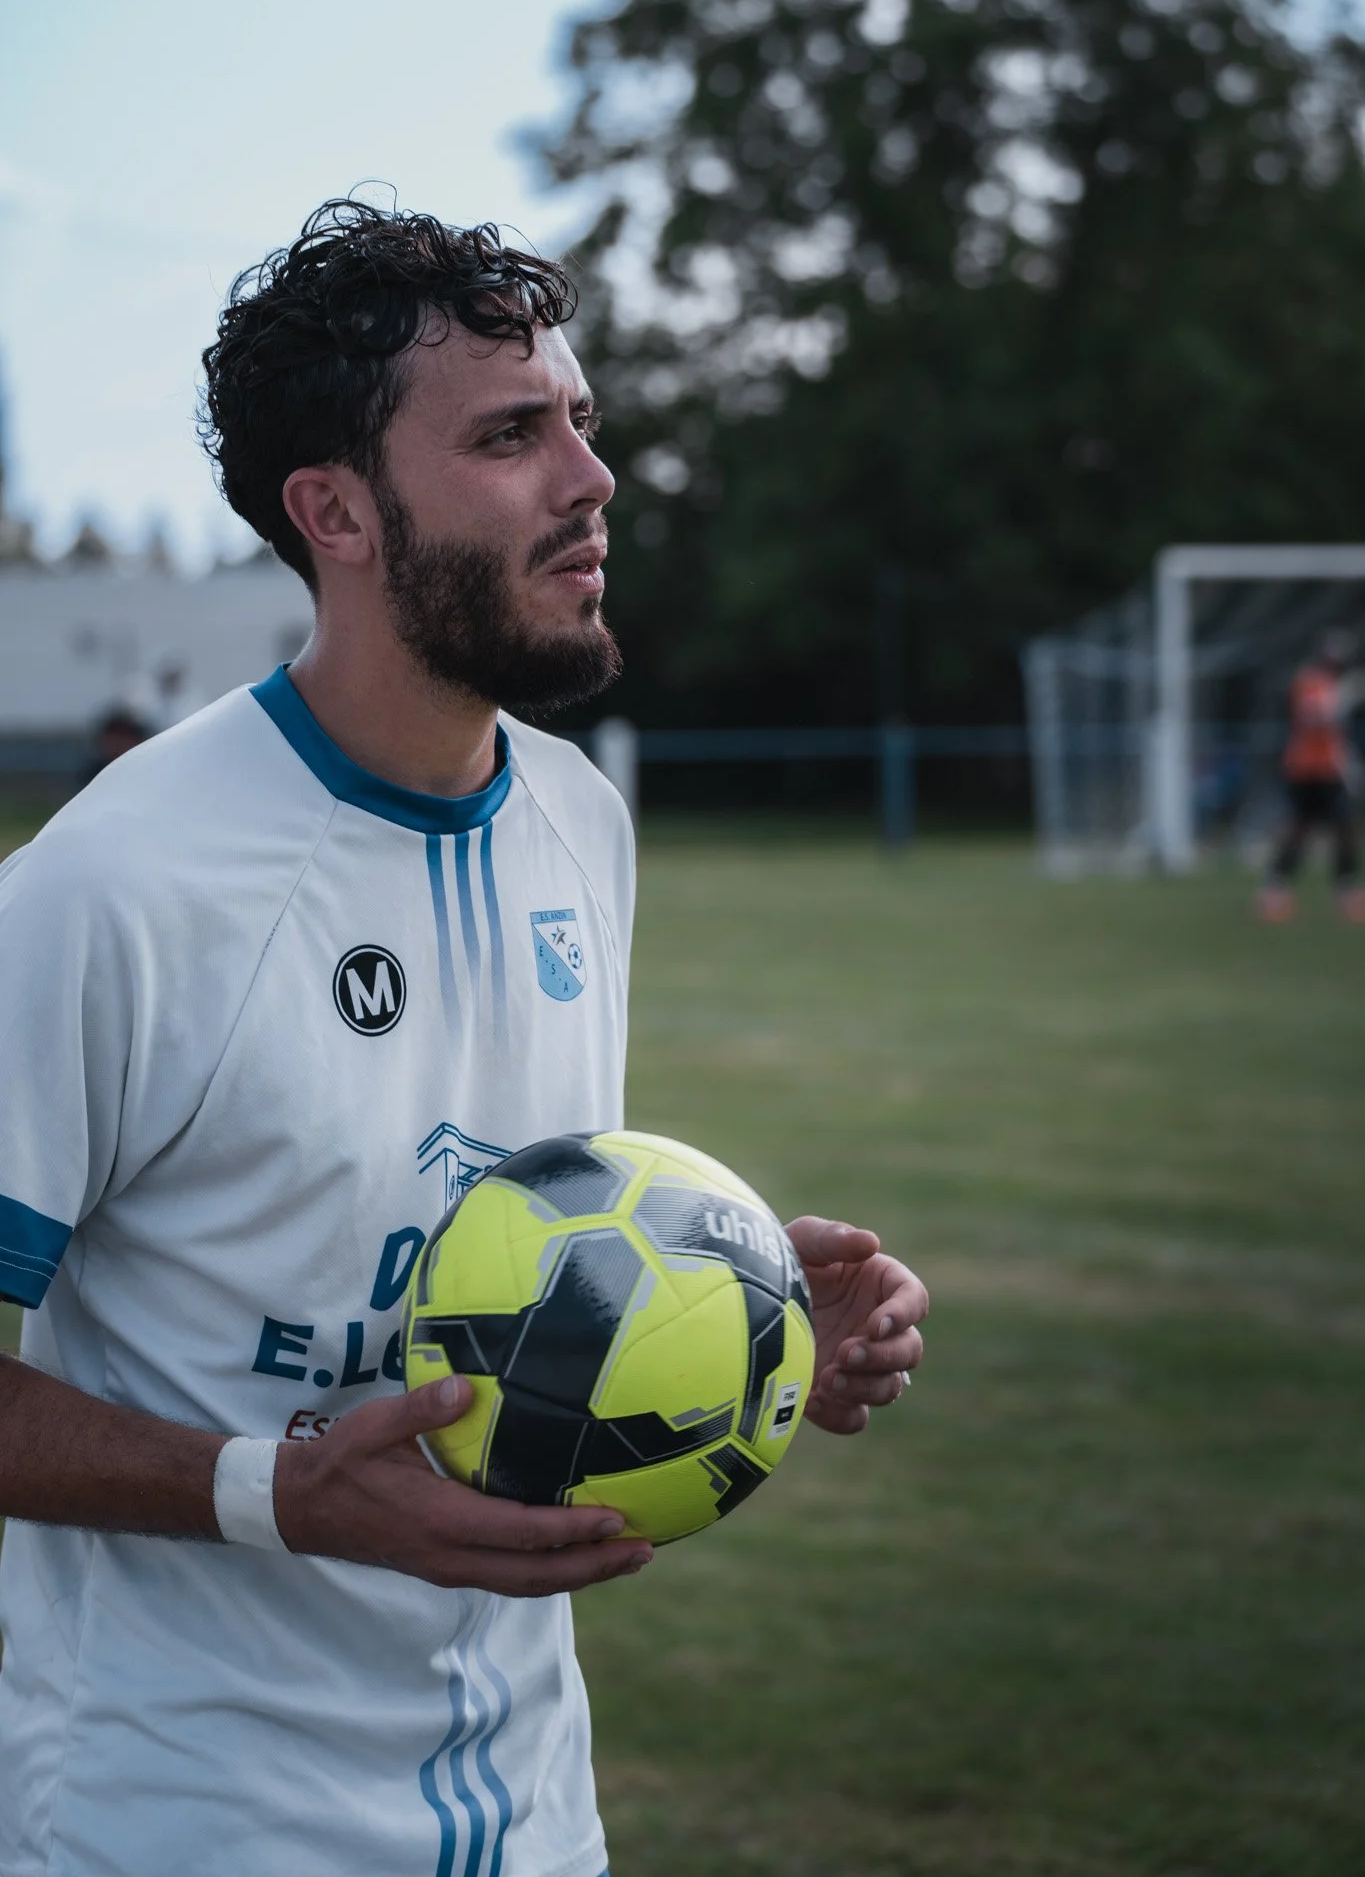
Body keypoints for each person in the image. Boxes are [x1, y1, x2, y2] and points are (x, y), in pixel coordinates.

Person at [0, 200, 928, 1877]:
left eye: (580, 419)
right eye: (512, 433)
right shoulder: (114, 884)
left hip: (534, 1815)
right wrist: (270, 1488)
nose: (593, 478)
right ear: (336, 511)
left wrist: (742, 1300)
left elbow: (482, 1247)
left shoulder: (579, 819)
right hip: (180, 1827)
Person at [1258, 628, 1365, 923]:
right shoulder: (1308, 681)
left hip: (1331, 770)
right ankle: (1275, 889)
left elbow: (1337, 734)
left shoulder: (1335, 684)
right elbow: (1313, 718)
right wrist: (1344, 698)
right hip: (1304, 769)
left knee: (1345, 829)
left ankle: (1347, 890)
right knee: (1297, 830)